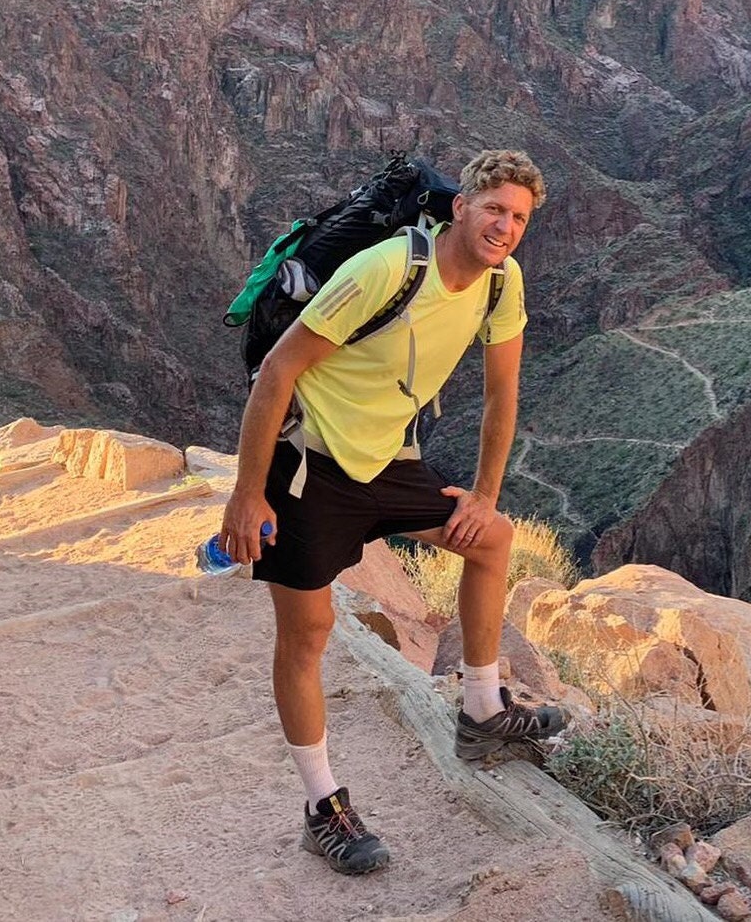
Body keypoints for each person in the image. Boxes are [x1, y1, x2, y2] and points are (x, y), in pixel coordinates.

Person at [219, 149, 567, 876]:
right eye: (494, 209)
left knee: (491, 539)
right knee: (308, 634)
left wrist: (484, 495)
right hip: (308, 464)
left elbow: (504, 394)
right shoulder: (385, 269)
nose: (504, 226)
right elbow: (279, 371)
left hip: (386, 461)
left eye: (519, 218)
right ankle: (323, 807)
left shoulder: (501, 282)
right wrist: (247, 495)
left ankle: (479, 711)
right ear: (462, 206)